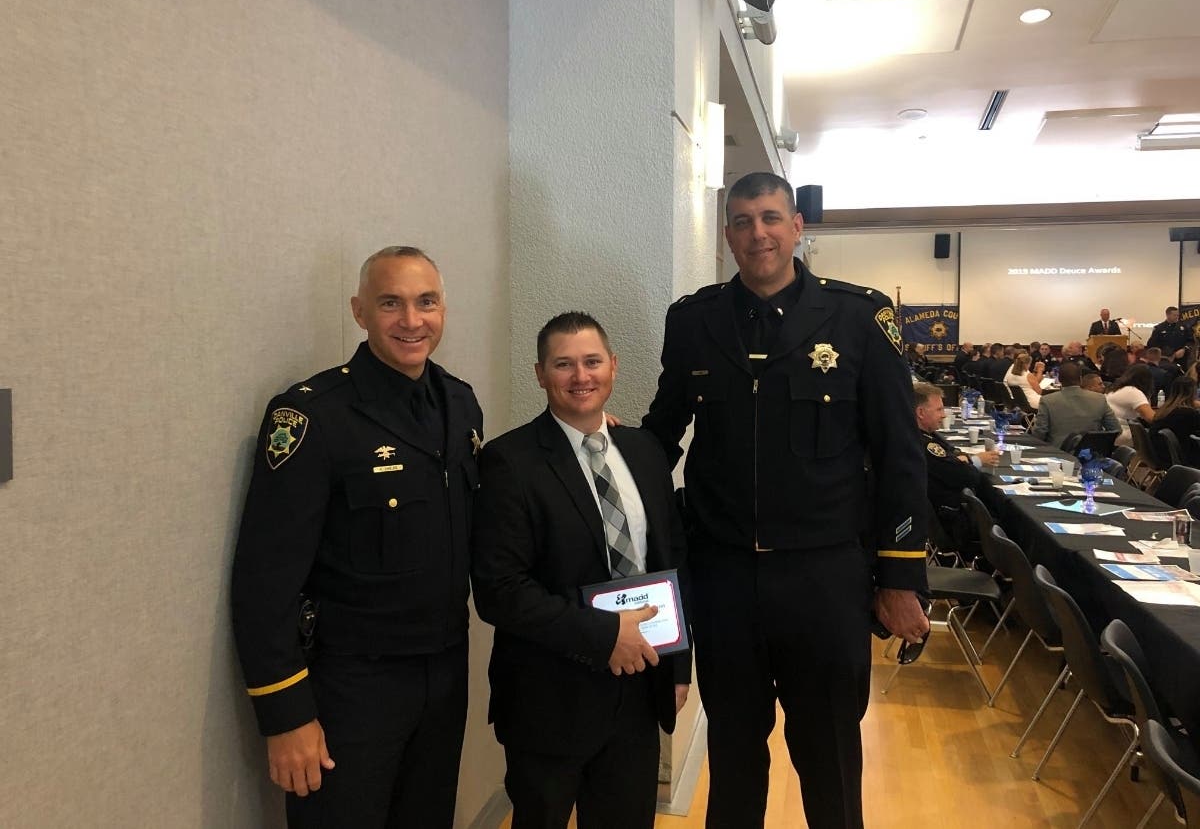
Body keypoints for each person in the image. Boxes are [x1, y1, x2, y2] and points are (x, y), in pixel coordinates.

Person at [641, 172, 928, 829]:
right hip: (725, 577)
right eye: (741, 221)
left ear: (798, 228)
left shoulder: (858, 317)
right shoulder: (693, 321)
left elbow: (898, 453)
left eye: (770, 218)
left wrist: (902, 573)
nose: (757, 233)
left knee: (829, 758)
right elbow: (661, 433)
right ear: (727, 235)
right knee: (735, 756)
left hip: (824, 577)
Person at [231, 247, 483, 828]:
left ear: (444, 309)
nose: (411, 321)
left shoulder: (460, 403)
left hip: (443, 673)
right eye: (390, 303)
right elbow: (264, 578)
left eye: (427, 303)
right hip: (351, 686)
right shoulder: (312, 416)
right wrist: (284, 713)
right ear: (359, 312)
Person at [471, 312, 690, 829]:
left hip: (638, 692)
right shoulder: (509, 462)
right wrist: (604, 633)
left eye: (592, 362)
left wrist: (679, 667)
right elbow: (500, 591)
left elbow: (671, 563)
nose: (580, 376)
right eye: (563, 364)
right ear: (539, 374)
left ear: (613, 367)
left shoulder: (644, 451)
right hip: (549, 698)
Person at [913, 383, 1000, 559]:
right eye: (938, 410)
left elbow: (952, 451)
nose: (943, 415)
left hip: (951, 514)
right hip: (954, 522)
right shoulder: (924, 444)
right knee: (1012, 519)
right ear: (921, 413)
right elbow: (969, 477)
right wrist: (970, 462)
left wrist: (964, 459)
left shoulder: (925, 434)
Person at [1030, 361, 1120, 448]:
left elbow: (1039, 434)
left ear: (1059, 379)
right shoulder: (1099, 399)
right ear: (1080, 379)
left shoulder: (1047, 401)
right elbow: (1116, 430)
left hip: (1058, 455)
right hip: (1090, 456)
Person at [1150, 376, 1200, 466]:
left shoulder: (1165, 409)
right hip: (1182, 457)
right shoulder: (1188, 414)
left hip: (1160, 454)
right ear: (1192, 393)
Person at [1106, 364, 1156, 445]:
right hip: (1122, 435)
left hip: (1111, 433)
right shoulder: (1133, 392)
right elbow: (1151, 418)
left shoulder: (1116, 389)